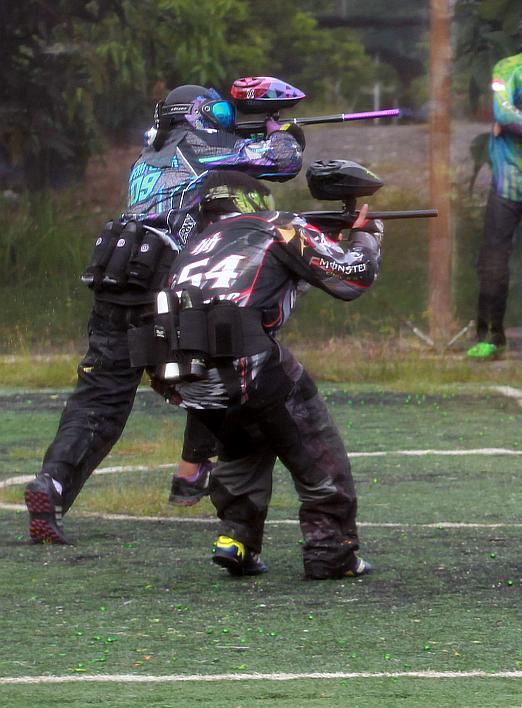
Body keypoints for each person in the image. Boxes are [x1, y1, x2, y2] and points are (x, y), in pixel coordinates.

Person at [24, 84, 303, 544]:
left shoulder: (148, 152)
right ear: (197, 113)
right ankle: (192, 474)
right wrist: (284, 129)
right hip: (161, 279)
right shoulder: (201, 143)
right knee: (219, 366)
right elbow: (282, 161)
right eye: (213, 109)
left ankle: (50, 485)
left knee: (100, 400)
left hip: (116, 273)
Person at [140, 171, 381, 579]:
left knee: (245, 438)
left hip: (186, 377)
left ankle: (236, 539)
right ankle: (329, 550)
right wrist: (366, 237)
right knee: (314, 446)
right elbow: (351, 277)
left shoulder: (196, 245)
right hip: (247, 363)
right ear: (255, 201)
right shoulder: (280, 226)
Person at [468, 9, 522, 360]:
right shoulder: (508, 68)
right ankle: (491, 336)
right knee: (494, 260)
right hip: (509, 179)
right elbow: (503, 113)